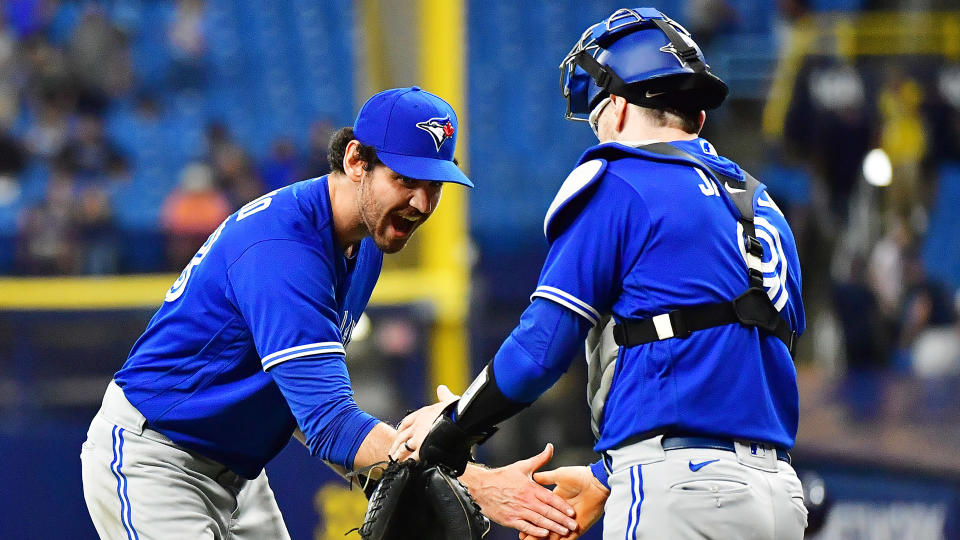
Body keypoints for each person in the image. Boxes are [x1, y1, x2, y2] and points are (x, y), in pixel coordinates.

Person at [80, 87, 578, 539]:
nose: (422, 203)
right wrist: (471, 481)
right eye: (407, 178)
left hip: (235, 472)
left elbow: (300, 398)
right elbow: (327, 422)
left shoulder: (366, 243)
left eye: (436, 184)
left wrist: (398, 465)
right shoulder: (284, 249)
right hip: (154, 458)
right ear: (356, 159)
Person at [396, 8, 808, 539]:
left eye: (594, 117)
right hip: (779, 496)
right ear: (695, 117)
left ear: (614, 106)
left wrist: (450, 430)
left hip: (681, 494)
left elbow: (538, 352)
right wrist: (606, 473)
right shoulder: (764, 207)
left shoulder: (620, 180)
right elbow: (728, 366)